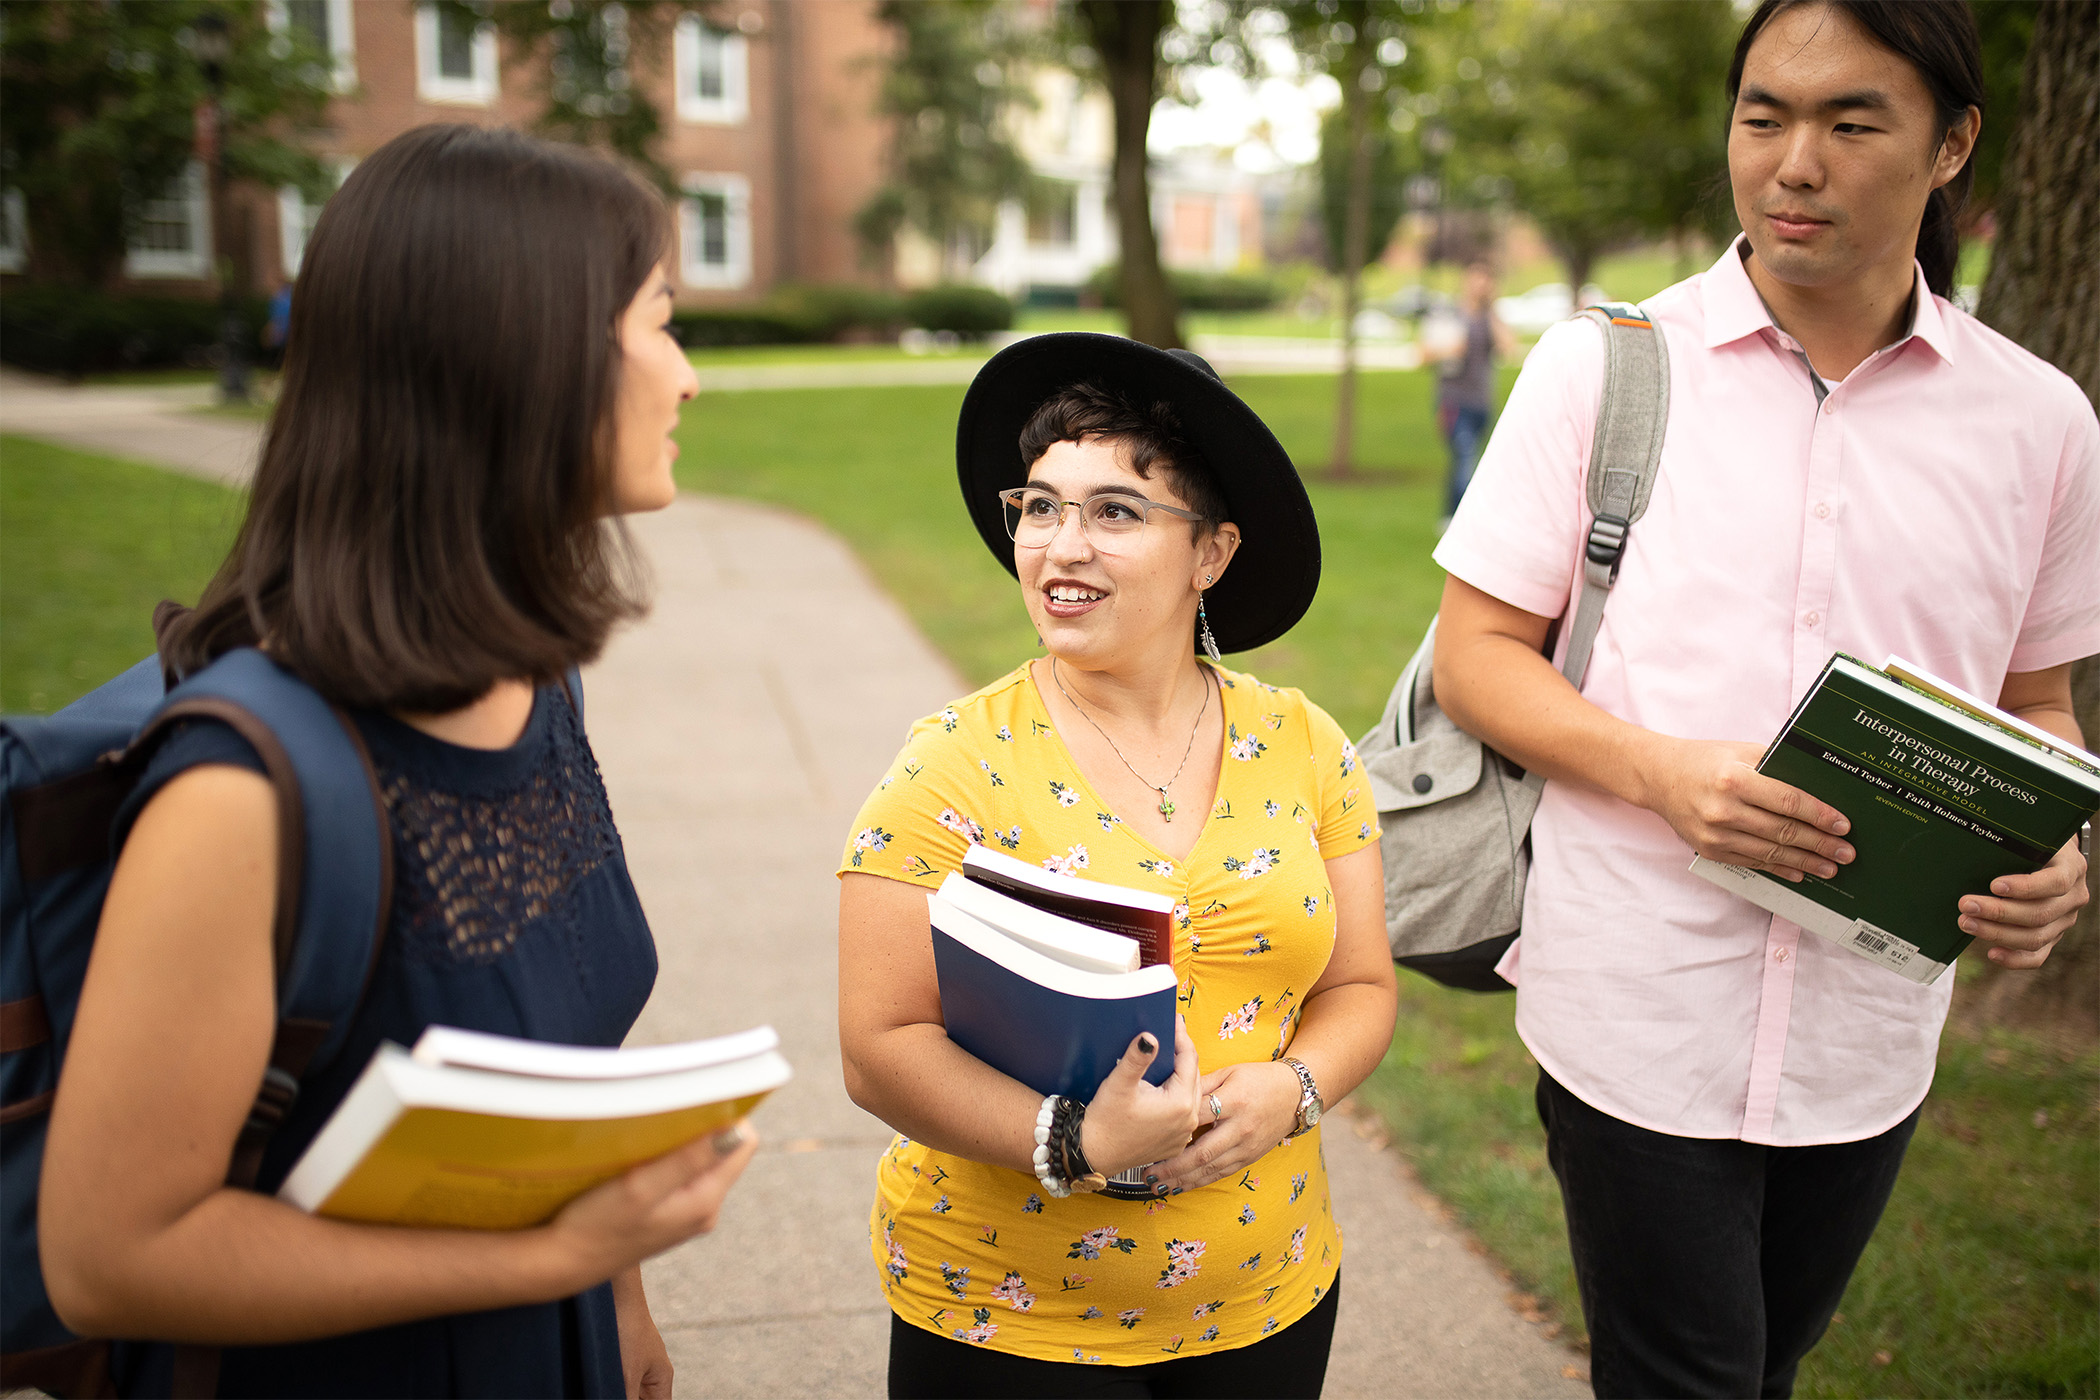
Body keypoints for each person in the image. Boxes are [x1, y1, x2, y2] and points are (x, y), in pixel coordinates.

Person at [1428, 2, 2097, 1396]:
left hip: (1868, 1031)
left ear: (1953, 144)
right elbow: (1475, 656)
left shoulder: (2040, 425)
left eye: (1853, 123)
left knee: (1765, 1365)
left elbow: (2037, 700)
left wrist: (2055, 852)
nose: (1796, 162)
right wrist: (1664, 773)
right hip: (1636, 1002)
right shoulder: (1604, 370)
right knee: (1691, 1376)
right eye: (1763, 117)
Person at [38, 124, 750, 1399]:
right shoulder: (243, 788)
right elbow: (110, 1256)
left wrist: (615, 1290)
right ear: (524, 361)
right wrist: (552, 1261)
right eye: (660, 322)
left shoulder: (531, 680)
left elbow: (548, 1070)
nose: (687, 377)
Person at [837, 334, 1398, 1399]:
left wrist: (1294, 1086)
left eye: (1115, 511)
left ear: (1212, 554)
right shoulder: (952, 761)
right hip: (1008, 1310)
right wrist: (1075, 1136)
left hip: (1266, 1290)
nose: (1060, 546)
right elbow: (878, 1048)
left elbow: (1363, 986)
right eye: (1040, 507)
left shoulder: (1307, 743)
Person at [1425, 260, 1516, 525]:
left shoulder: (1490, 318)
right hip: (1453, 400)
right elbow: (1421, 354)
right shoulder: (1450, 313)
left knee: (1464, 459)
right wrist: (1449, 350)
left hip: (1481, 401)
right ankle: (1467, 522)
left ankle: (1449, 517)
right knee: (1465, 456)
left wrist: (1492, 311)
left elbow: (1509, 348)